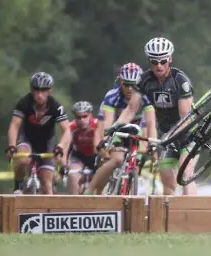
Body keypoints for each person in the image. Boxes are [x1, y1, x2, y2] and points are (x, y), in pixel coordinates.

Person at [102, 38, 197, 196]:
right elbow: (131, 109)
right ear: (149, 61)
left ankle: (190, 215)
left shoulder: (180, 81)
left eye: (163, 61)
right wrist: (116, 126)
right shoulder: (144, 80)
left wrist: (170, 136)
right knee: (167, 179)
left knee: (185, 173)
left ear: (170, 60)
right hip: (166, 134)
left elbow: (185, 119)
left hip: (187, 133)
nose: (158, 65)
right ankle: (170, 216)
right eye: (154, 61)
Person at [85, 63, 157, 195]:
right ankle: (90, 190)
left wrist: (152, 145)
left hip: (137, 129)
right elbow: (107, 123)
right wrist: (105, 142)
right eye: (126, 85)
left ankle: (131, 180)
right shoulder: (112, 96)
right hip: (117, 129)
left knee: (141, 153)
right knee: (116, 160)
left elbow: (151, 123)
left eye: (133, 85)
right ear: (120, 81)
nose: (130, 89)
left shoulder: (145, 96)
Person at [6, 72, 70, 195]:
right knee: (23, 160)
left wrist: (60, 147)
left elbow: (66, 130)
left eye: (44, 91)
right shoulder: (24, 103)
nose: (40, 95)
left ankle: (49, 213)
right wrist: (12, 146)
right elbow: (14, 126)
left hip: (47, 142)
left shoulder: (56, 107)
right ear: (31, 90)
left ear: (50, 91)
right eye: (36, 90)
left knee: (47, 183)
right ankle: (17, 185)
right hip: (27, 138)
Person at [65, 101, 98, 194]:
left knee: (100, 180)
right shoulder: (71, 126)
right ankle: (73, 205)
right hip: (79, 156)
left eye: (85, 116)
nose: (82, 120)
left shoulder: (98, 125)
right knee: (73, 175)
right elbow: (66, 146)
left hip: (95, 157)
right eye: (78, 117)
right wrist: (63, 165)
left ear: (91, 115)